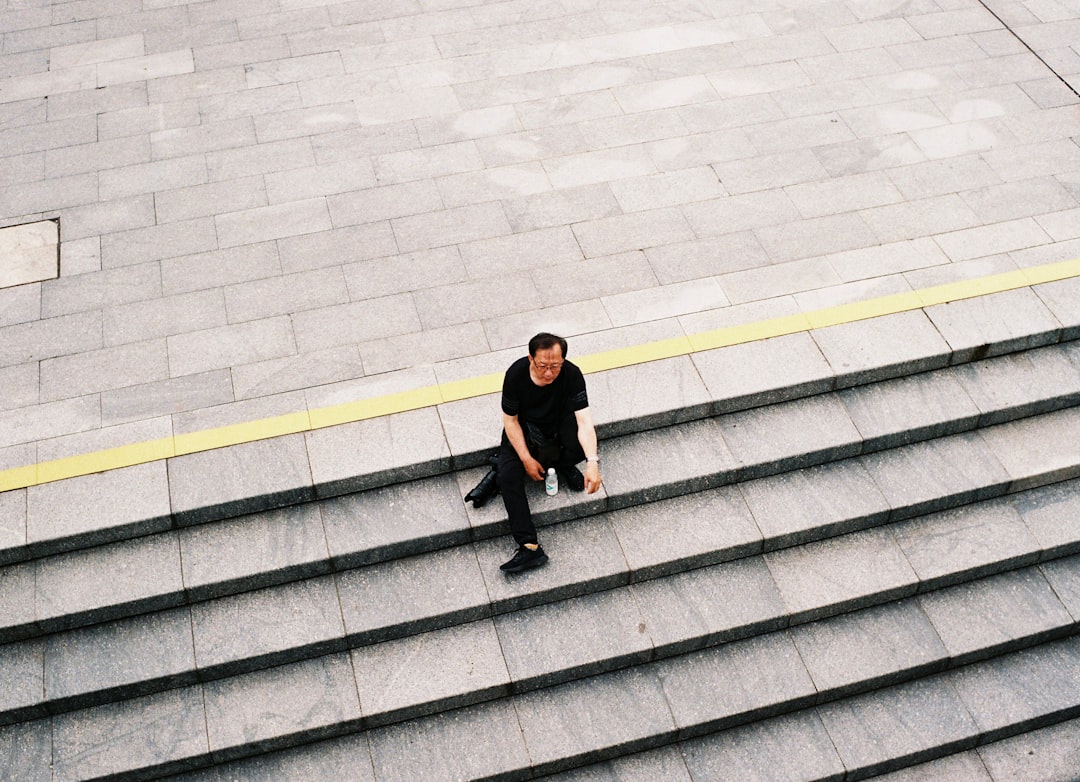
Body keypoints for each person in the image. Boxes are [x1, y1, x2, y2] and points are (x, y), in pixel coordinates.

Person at [497, 332, 601, 573]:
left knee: (579, 447)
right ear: (530, 359)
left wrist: (592, 463)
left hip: (557, 425)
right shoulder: (515, 375)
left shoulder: (571, 374)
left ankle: (562, 464)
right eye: (542, 365)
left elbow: (584, 421)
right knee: (507, 475)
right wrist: (525, 459)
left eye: (555, 366)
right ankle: (530, 547)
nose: (548, 373)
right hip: (525, 429)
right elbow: (510, 422)